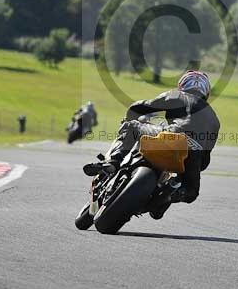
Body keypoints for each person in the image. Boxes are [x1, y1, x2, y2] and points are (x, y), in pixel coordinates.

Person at [82, 70, 220, 219]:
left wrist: (129, 117)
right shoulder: (215, 120)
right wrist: (192, 167)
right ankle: (170, 193)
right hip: (193, 152)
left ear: (182, 85)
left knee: (131, 127)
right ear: (206, 92)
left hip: (170, 136)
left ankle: (114, 161)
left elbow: (142, 106)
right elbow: (204, 161)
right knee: (191, 191)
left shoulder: (176, 95)